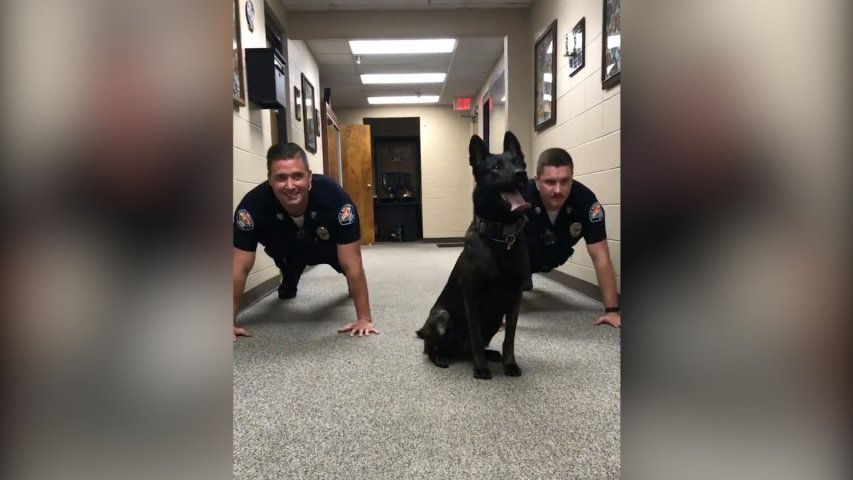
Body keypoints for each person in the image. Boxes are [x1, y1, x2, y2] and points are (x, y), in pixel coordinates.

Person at [232, 143, 379, 341]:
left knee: (347, 267)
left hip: (327, 247)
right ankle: (290, 276)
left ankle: (350, 287)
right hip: (286, 249)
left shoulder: (335, 198)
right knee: (287, 284)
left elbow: (353, 262)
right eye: (281, 178)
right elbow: (238, 267)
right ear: (270, 180)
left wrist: (364, 318)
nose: (290, 185)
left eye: (297, 176)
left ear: (309, 177)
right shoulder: (251, 207)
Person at [522, 148, 621, 328]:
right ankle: (523, 276)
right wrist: (495, 311)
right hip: (521, 255)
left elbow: (601, 257)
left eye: (565, 181)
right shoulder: (522, 197)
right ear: (537, 181)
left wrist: (612, 311)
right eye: (550, 182)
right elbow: (497, 254)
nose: (558, 190)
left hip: (554, 255)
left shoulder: (586, 202)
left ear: (572, 177)